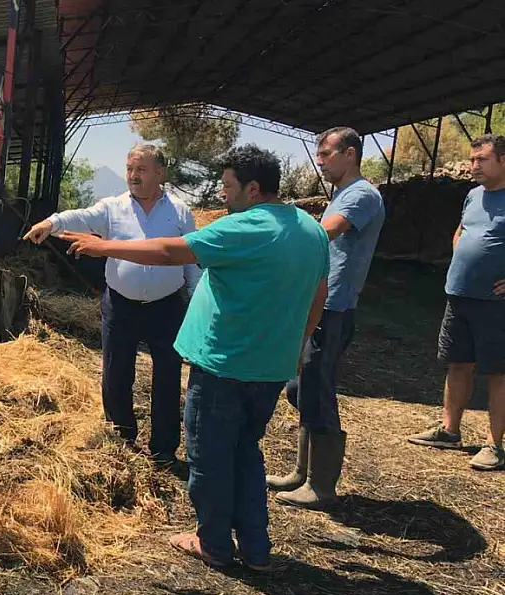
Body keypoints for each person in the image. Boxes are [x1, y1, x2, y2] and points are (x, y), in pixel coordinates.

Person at [49, 145, 329, 570]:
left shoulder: (243, 228)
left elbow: (168, 252)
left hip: (223, 365)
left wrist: (104, 248)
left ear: (253, 189)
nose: (221, 193)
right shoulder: (312, 231)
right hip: (270, 367)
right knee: (246, 452)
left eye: (228, 185)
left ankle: (213, 543)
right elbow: (319, 294)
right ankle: (256, 548)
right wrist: (295, 347)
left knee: (210, 457)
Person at [22, 144, 201, 466]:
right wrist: (51, 223)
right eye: (130, 168)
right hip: (121, 305)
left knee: (167, 377)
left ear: (160, 173)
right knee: (116, 374)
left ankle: (163, 449)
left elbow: (191, 261)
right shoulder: (113, 207)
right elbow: (83, 216)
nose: (133, 175)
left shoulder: (179, 211)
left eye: (142, 169)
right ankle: (120, 440)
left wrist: (197, 306)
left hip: (167, 307)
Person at [270, 127, 386, 509]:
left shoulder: (363, 195)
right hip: (320, 304)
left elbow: (324, 235)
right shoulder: (341, 194)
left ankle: (321, 486)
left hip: (333, 309)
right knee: (300, 387)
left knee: (316, 388)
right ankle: (303, 471)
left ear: (350, 154)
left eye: (326, 154)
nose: (319, 161)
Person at [407, 133, 505, 471]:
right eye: (472, 159)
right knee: (458, 363)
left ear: (503, 161)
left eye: (482, 160)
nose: (473, 165)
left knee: (498, 372)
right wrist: (461, 256)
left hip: (495, 303)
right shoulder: (473, 195)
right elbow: (461, 231)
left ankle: (495, 446)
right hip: (458, 295)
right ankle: (450, 431)